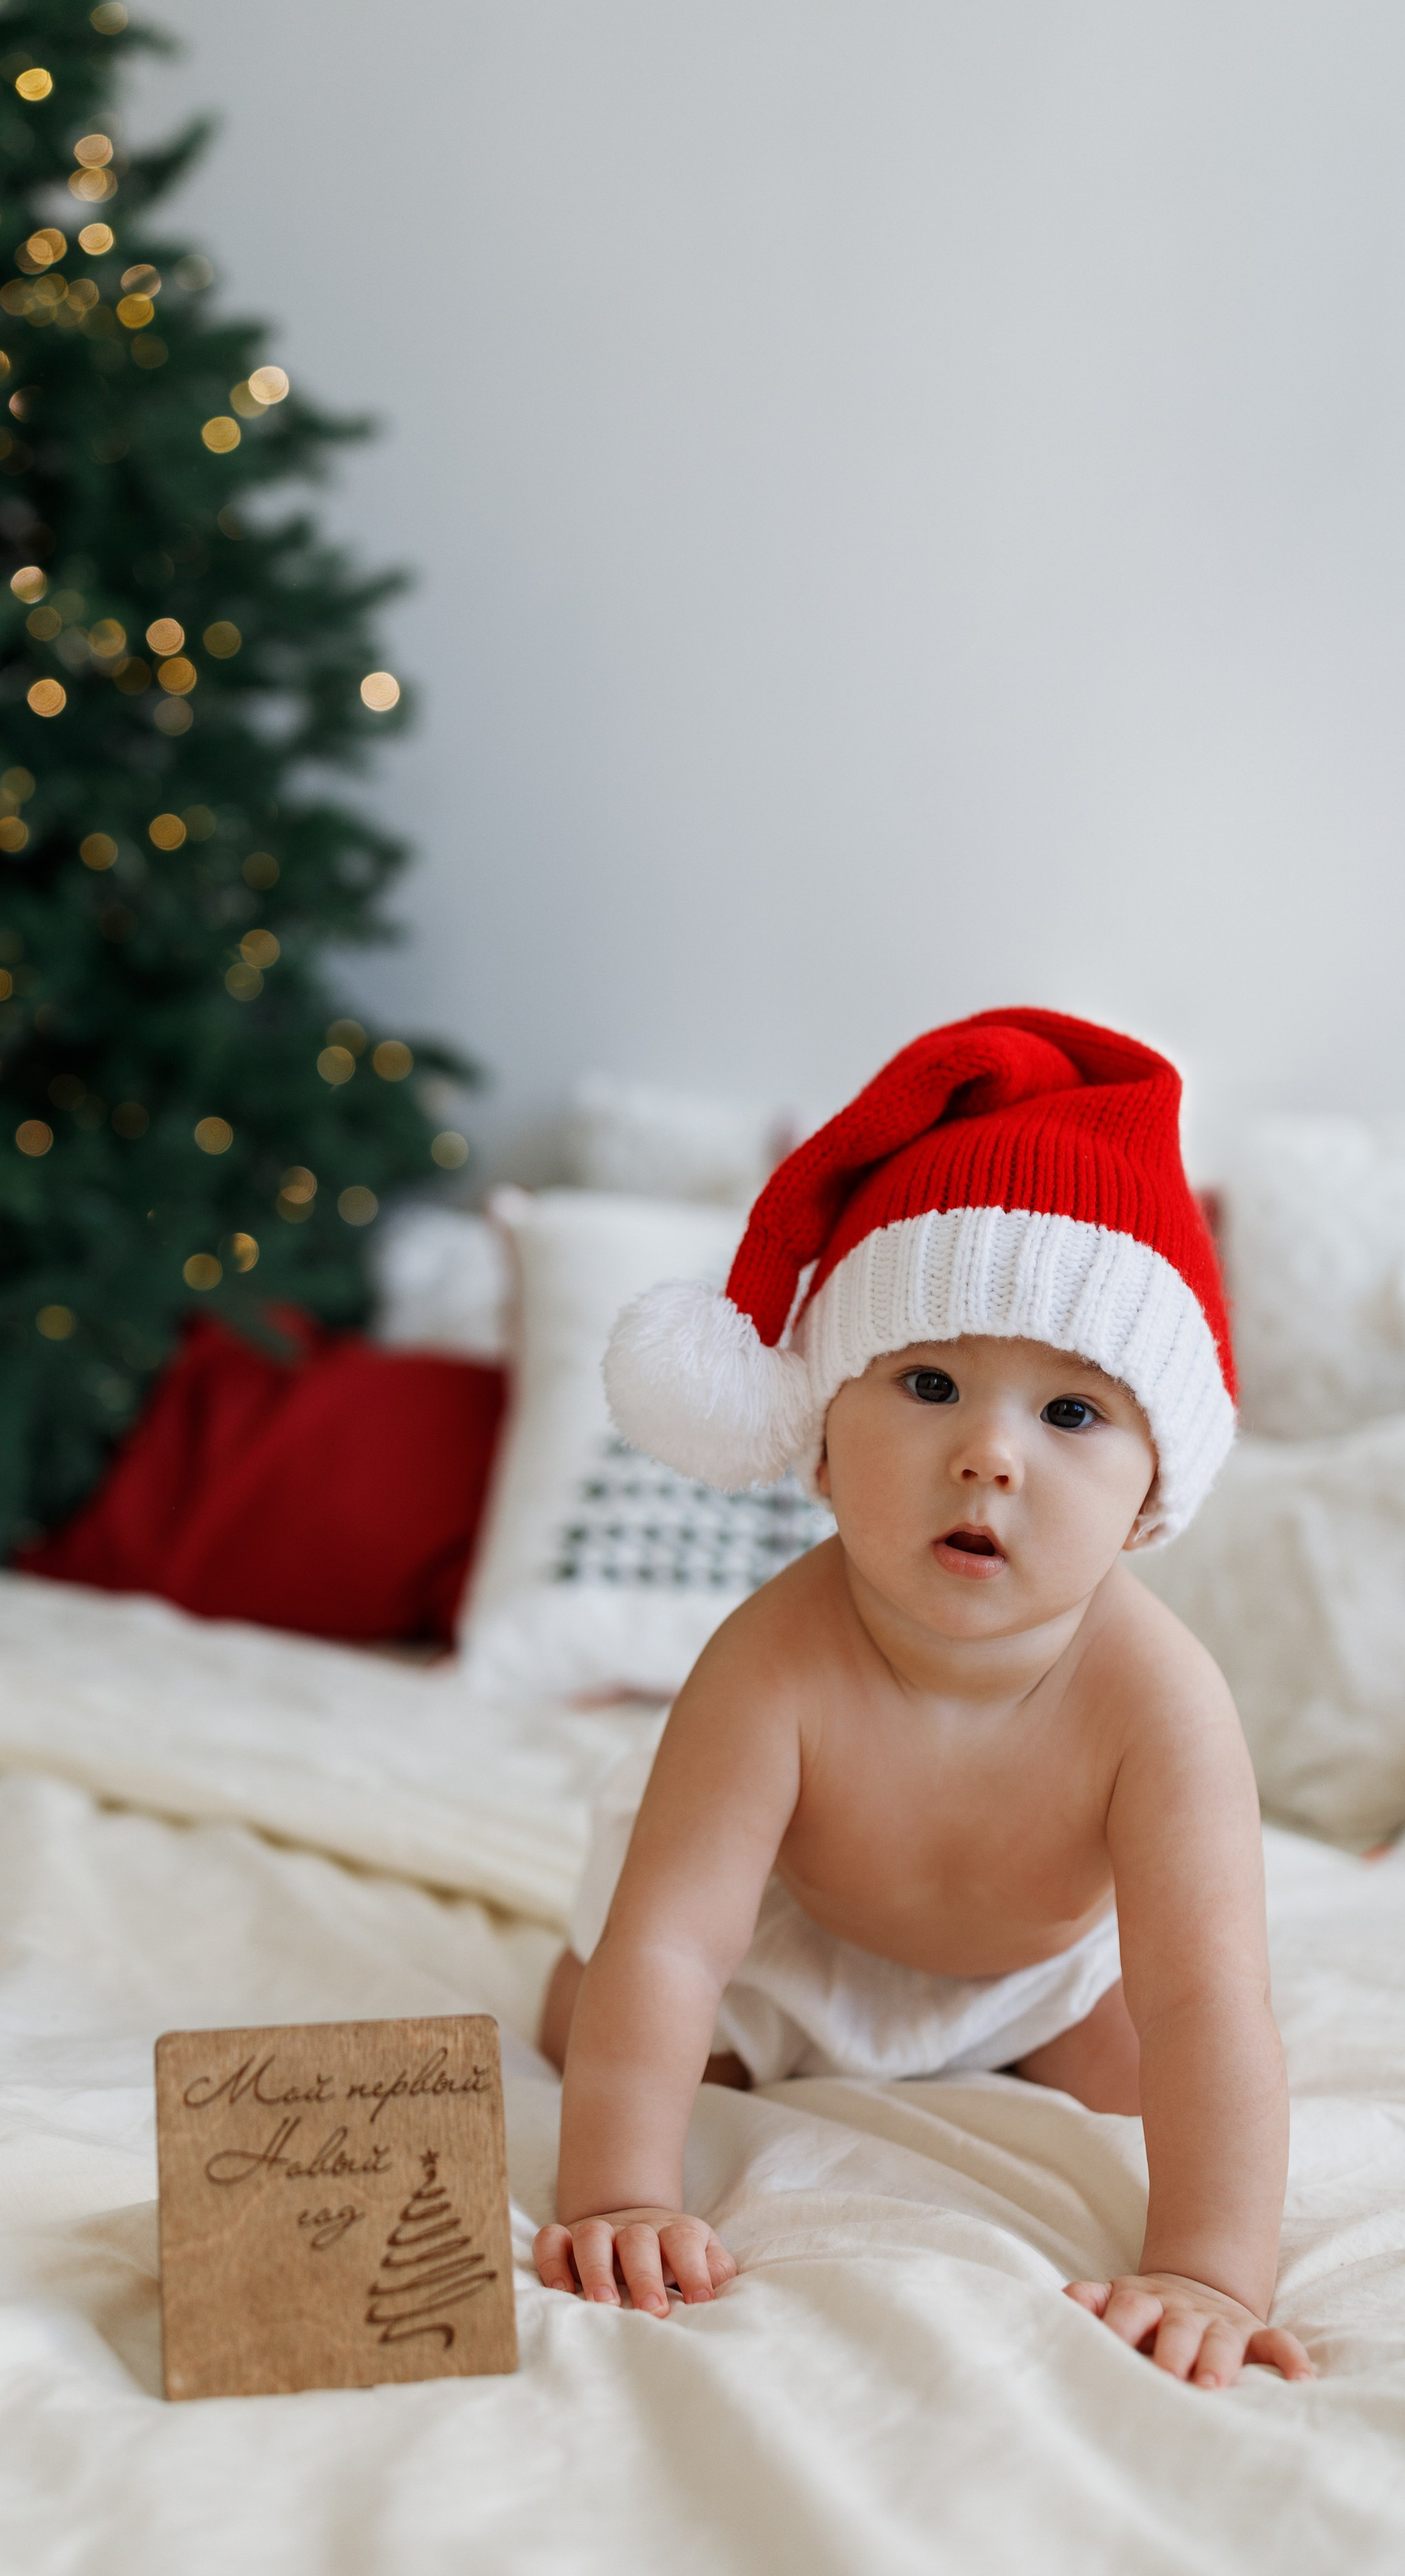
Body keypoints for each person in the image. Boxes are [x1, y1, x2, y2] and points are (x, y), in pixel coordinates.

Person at [534, 1008, 1313, 2391]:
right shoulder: (774, 1655)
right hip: (795, 1937)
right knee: (603, 2010)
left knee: (1159, 2062)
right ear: (823, 1441)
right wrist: (618, 2195)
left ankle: (1046, 2087)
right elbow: (676, 1943)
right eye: (931, 1383)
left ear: (1153, 1499)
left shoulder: (1162, 1703)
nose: (989, 1457)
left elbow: (1208, 2002)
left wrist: (1206, 2270)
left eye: (1072, 1415)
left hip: (1033, 1971)